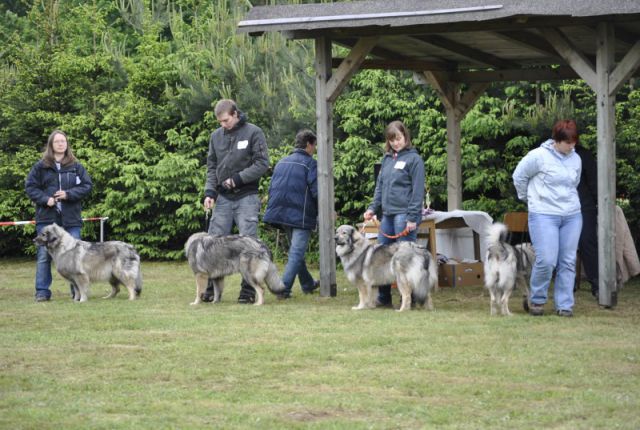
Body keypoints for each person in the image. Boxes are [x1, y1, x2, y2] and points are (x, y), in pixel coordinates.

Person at [512, 119, 583, 317]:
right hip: (543, 214)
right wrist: (529, 199)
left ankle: (565, 305)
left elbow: (574, 183)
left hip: (571, 215)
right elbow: (519, 176)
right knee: (547, 260)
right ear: (557, 140)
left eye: (574, 142)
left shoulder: (576, 159)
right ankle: (537, 300)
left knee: (568, 261)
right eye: (568, 142)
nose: (572, 146)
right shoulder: (538, 156)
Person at [202, 99, 269, 304]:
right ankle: (212, 289)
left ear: (235, 114)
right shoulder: (216, 136)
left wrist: (238, 179)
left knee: (248, 243)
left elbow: (262, 164)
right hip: (222, 198)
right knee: (213, 243)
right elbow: (212, 167)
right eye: (220, 122)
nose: (223, 125)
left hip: (246, 196)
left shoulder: (253, 132)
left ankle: (248, 290)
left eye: (226, 120)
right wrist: (209, 192)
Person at [25, 130, 93, 302]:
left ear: (67, 144)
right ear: (51, 145)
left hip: (71, 220)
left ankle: (76, 292)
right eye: (57, 141)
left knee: (75, 257)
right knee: (43, 256)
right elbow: (30, 187)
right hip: (47, 219)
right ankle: (42, 292)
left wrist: (68, 194)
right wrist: (45, 199)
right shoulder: (40, 166)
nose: (61, 144)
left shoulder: (76, 166)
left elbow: (87, 186)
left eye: (63, 141)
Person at [363, 121, 425, 308]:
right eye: (392, 140)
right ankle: (384, 297)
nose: (396, 143)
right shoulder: (387, 159)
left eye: (398, 138)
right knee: (381, 257)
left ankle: (409, 298)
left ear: (406, 137)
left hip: (404, 215)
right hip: (387, 215)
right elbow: (380, 186)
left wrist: (412, 217)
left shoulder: (415, 160)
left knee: (405, 259)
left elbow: (417, 191)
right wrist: (373, 208)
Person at [263, 130, 319, 299]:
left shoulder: (282, 162)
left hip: (281, 213)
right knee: (296, 253)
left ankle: (308, 284)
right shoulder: (310, 163)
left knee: (296, 251)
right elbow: (317, 191)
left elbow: (272, 188)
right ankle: (283, 289)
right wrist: (326, 210)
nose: (315, 149)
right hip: (300, 214)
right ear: (309, 144)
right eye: (314, 145)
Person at [575, 144, 599, 299]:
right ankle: (567, 284)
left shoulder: (585, 155)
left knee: (587, 244)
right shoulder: (552, 155)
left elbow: (594, 182)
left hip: (585, 206)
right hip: (563, 206)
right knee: (565, 247)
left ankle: (597, 285)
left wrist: (598, 204)